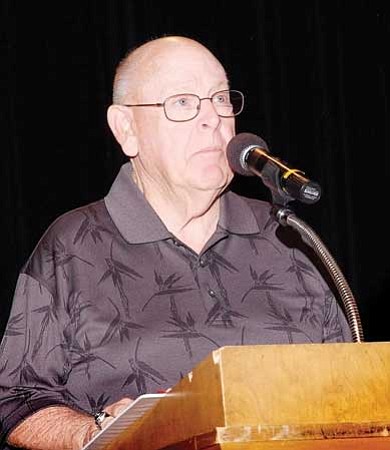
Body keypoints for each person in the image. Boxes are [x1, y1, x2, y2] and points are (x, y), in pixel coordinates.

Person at [0, 35, 352, 450]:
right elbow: (17, 401)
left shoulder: (287, 237)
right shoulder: (72, 247)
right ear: (126, 129)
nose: (212, 119)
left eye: (220, 99)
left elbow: (351, 388)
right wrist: (94, 432)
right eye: (183, 102)